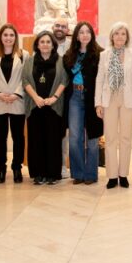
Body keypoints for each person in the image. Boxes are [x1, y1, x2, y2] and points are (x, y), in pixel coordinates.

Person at [95, 22, 132, 189]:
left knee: (125, 138)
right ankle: (111, 176)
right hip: (109, 99)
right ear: (112, 36)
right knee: (110, 138)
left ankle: (123, 175)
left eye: (123, 34)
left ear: (127, 37)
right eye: (117, 33)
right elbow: (100, 79)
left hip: (128, 99)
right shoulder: (104, 55)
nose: (120, 37)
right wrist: (98, 103)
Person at [22, 31, 67, 185]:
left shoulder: (60, 61)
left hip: (53, 106)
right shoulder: (30, 61)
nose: (45, 44)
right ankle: (38, 173)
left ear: (53, 44)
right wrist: (36, 98)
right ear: (37, 45)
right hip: (35, 106)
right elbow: (25, 80)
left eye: (48, 42)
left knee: (53, 140)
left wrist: (54, 98)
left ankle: (52, 174)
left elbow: (64, 80)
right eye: (42, 42)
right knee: (36, 140)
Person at [0, 23, 28, 184]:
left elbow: (26, 77)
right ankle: (1, 167)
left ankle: (17, 167)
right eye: (5, 35)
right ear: (0, 37)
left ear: (15, 37)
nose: (8, 38)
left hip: (17, 101)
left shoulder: (24, 54)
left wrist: (16, 94)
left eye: (11, 35)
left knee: (18, 137)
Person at [63, 21, 104, 185]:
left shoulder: (100, 54)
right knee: (74, 137)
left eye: (88, 32)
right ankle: (78, 173)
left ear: (92, 35)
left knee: (93, 137)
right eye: (81, 32)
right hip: (74, 96)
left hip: (93, 98)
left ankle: (91, 174)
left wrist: (101, 102)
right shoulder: (69, 55)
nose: (85, 35)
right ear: (76, 36)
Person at [53, 18, 71, 179]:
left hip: (68, 95)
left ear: (68, 29)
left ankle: (63, 166)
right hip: (47, 96)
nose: (60, 28)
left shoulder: (73, 46)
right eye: (57, 25)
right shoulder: (45, 43)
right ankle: (50, 166)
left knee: (63, 133)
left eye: (63, 26)